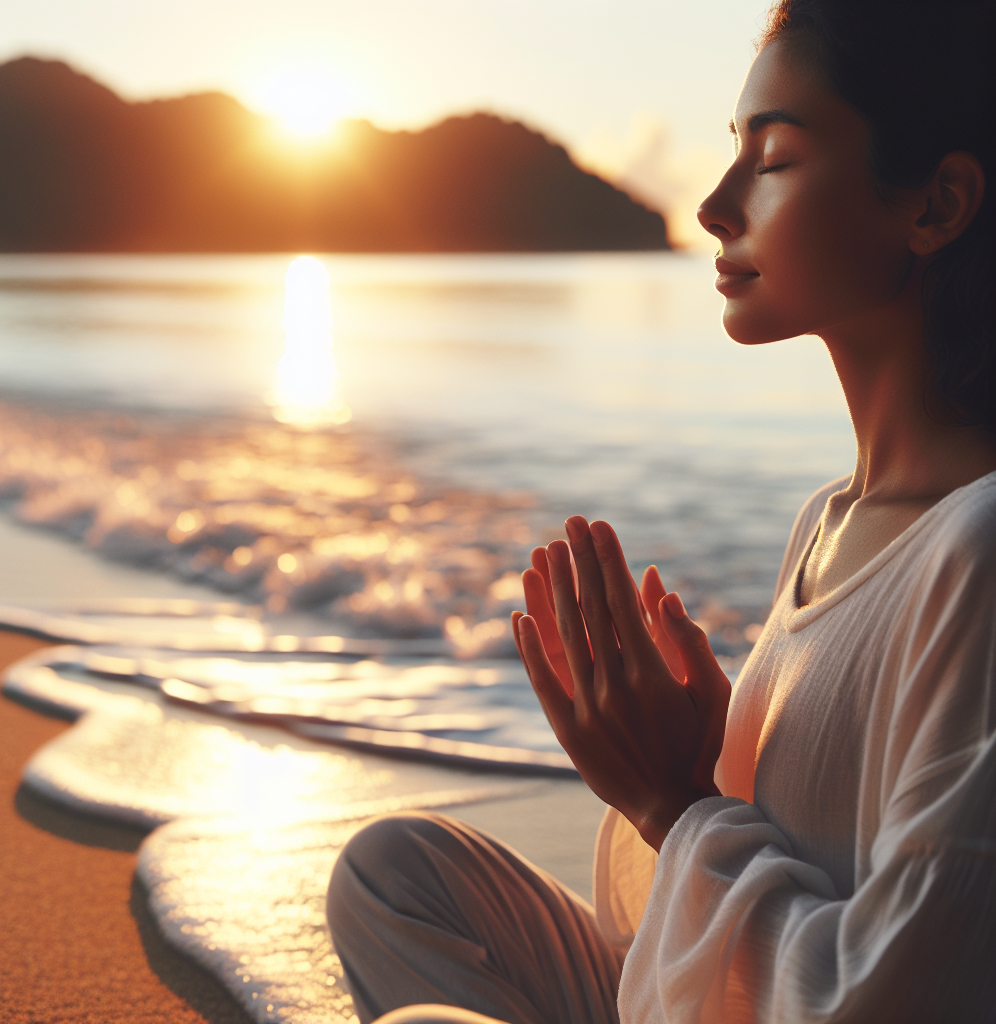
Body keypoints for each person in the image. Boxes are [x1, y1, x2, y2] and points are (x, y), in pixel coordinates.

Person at [326, 1, 996, 1020]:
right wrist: (698, 776)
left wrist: (671, 803)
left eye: (771, 159)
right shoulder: (830, 516)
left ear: (936, 205)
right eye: (734, 152)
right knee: (394, 871)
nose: (715, 206)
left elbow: (886, 993)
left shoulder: (976, 546)